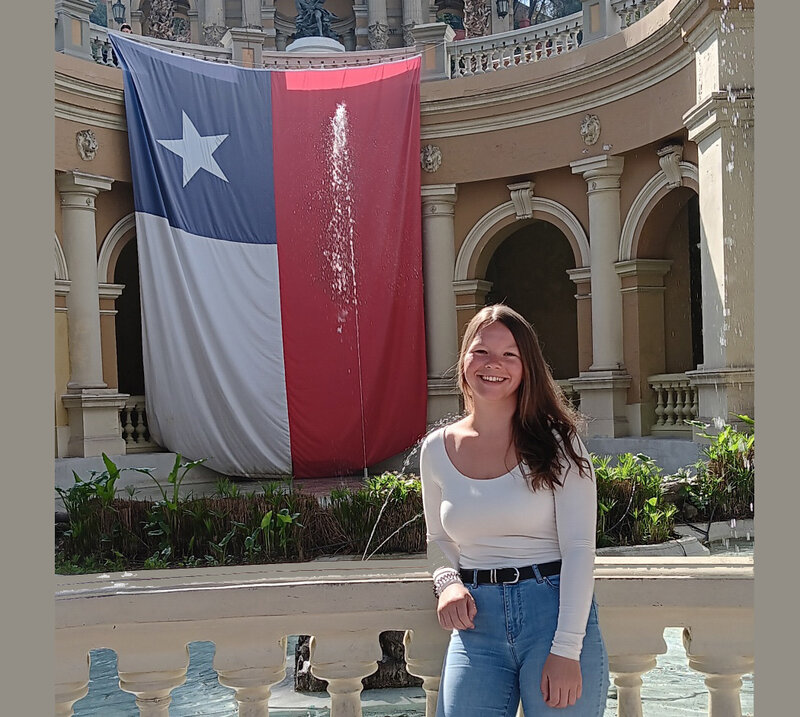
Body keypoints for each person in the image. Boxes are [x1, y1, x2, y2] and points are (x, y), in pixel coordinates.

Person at [420, 304, 609, 716]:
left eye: (510, 355)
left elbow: (580, 549)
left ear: (527, 367)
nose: (494, 365)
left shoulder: (560, 443)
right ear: (465, 359)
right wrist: (448, 581)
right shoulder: (436, 449)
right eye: (481, 351)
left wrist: (566, 649)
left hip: (553, 616)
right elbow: (437, 538)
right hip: (476, 626)